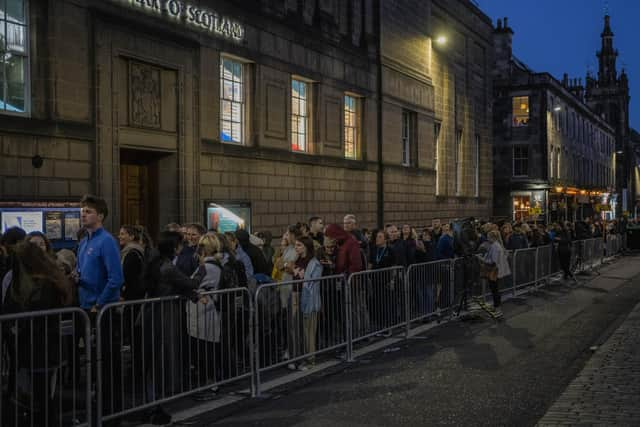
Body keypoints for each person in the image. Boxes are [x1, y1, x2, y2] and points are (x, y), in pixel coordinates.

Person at [2, 241, 72, 426]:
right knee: (36, 396)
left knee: (42, 397)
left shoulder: (45, 284)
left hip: (42, 348)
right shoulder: (36, 281)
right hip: (33, 347)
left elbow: (36, 313)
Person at [143, 231, 203, 424]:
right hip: (162, 315)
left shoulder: (157, 263)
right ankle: (156, 405)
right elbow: (189, 282)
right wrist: (202, 268)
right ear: (173, 247)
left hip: (155, 313)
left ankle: (155, 402)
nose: (182, 248)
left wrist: (193, 295)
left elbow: (179, 287)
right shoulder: (167, 267)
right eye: (180, 244)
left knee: (157, 360)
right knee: (161, 359)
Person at [188, 234, 223, 400]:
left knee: (205, 350)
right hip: (205, 311)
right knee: (205, 349)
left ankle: (210, 385)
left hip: (204, 312)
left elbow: (192, 284)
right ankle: (209, 383)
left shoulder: (208, 267)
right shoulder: (214, 265)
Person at [291, 236, 322, 370]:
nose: (296, 248)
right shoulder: (297, 259)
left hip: (308, 299)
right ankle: (298, 357)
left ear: (306, 247)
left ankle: (310, 359)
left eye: (299, 245)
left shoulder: (314, 263)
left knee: (308, 331)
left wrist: (300, 273)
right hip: (296, 296)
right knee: (297, 330)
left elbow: (312, 283)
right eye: (296, 245)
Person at [480, 230, 511, 317]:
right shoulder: (498, 245)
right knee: (496, 290)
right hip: (498, 270)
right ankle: (497, 308)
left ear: (492, 237)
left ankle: (498, 309)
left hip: (494, 271)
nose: (487, 238)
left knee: (495, 291)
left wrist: (483, 259)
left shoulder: (494, 246)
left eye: (488, 237)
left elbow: (493, 261)